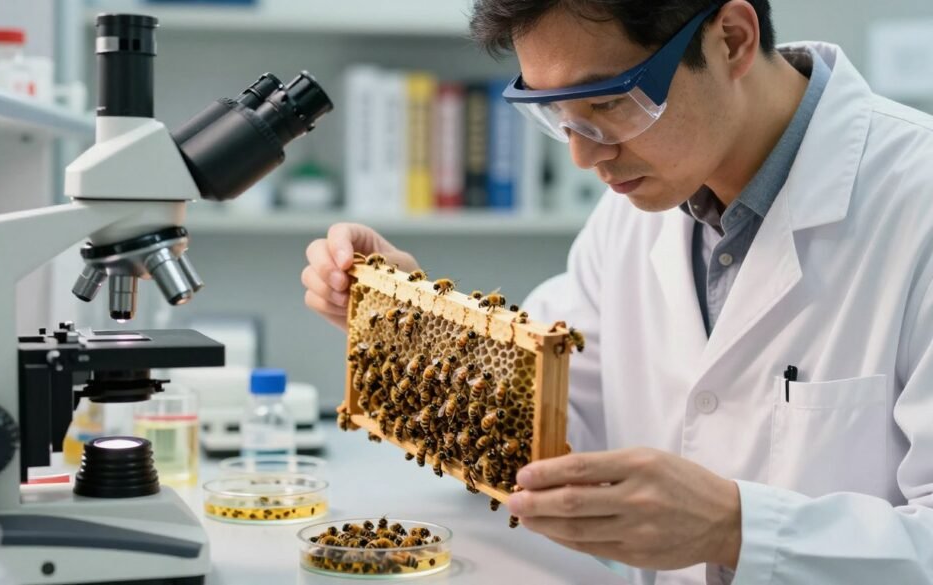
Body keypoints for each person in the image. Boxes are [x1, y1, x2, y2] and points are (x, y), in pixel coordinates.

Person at [302, 0, 933, 582]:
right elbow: (545, 427)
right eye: (556, 113)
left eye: (608, 103)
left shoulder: (916, 204)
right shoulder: (635, 209)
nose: (582, 155)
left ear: (733, 41)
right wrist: (409, 324)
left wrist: (737, 529)